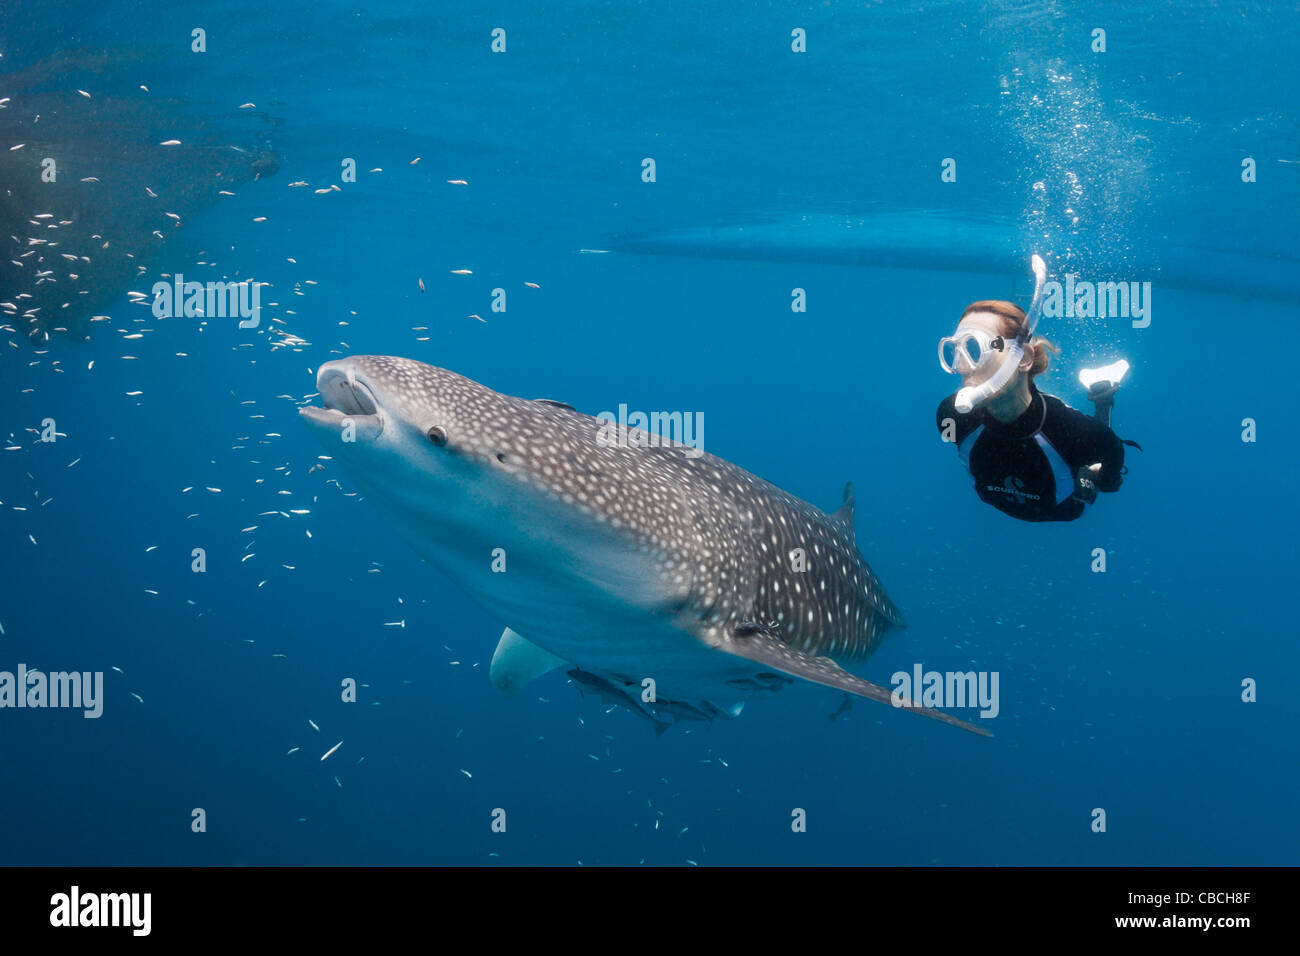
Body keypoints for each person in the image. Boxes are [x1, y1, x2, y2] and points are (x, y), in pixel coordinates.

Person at [935, 265, 1137, 522]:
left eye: (976, 348)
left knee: (1086, 456)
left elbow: (1111, 467)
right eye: (955, 350)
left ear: (1024, 358)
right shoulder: (950, 416)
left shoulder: (1077, 433)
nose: (962, 366)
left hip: (1064, 509)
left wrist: (1099, 477)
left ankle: (1102, 394)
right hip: (1000, 504)